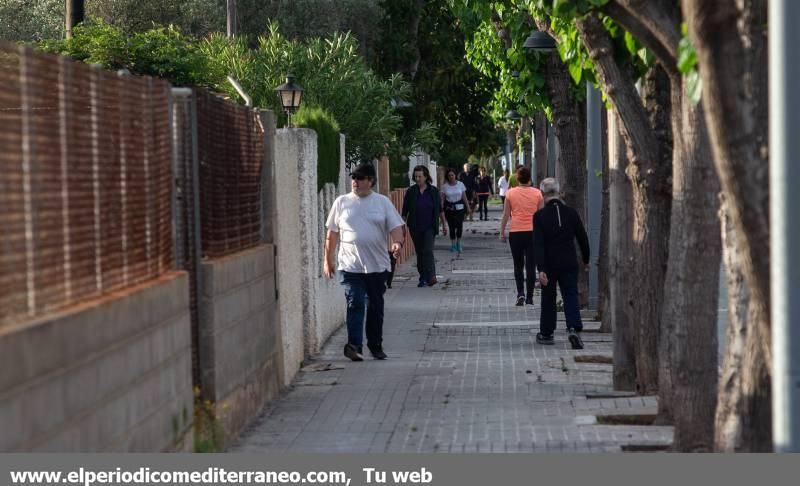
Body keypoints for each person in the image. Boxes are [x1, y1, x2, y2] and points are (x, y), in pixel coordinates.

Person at [324, 164, 406, 361]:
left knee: (375, 306)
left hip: (378, 265)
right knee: (355, 301)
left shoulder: (382, 202)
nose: (355, 181)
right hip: (350, 265)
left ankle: (375, 345)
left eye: (360, 178)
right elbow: (332, 234)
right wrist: (327, 260)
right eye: (353, 177)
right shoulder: (342, 202)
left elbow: (396, 228)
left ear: (370, 181)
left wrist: (397, 243)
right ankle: (354, 346)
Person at [533, 177, 590, 349]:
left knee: (548, 297)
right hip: (568, 261)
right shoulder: (571, 213)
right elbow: (582, 238)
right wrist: (586, 259)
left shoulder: (539, 216)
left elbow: (538, 243)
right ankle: (573, 327)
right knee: (570, 294)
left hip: (549, 264)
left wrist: (540, 268)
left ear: (542, 194)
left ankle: (546, 332)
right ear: (559, 192)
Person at [499, 167, 544, 306]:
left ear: (517, 179)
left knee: (518, 265)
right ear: (530, 178)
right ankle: (530, 296)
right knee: (531, 265)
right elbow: (541, 216)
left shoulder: (510, 193)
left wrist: (502, 232)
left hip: (516, 232)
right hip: (533, 232)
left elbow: (506, 214)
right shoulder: (538, 194)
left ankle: (520, 294)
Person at [402, 165, 447, 287]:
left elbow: (440, 209)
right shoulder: (411, 192)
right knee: (420, 252)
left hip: (430, 226)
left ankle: (431, 276)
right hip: (415, 227)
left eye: (420, 176)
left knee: (427, 250)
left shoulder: (433, 191)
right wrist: (402, 227)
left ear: (426, 177)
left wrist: (444, 225)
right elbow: (405, 211)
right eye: (415, 176)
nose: (417, 179)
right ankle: (423, 276)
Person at [440, 167, 471, 253]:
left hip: (460, 208)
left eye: (452, 175)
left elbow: (464, 197)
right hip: (449, 209)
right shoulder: (444, 187)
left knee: (459, 226)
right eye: (449, 175)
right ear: (447, 176)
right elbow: (442, 199)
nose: (451, 177)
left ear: (455, 175)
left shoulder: (460, 184)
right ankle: (453, 244)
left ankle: (459, 243)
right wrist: (441, 209)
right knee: (452, 227)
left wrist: (468, 207)